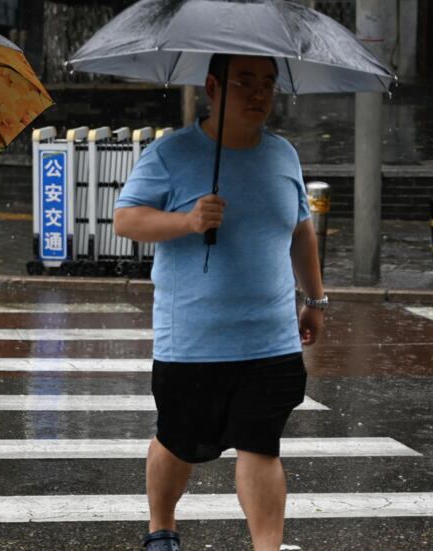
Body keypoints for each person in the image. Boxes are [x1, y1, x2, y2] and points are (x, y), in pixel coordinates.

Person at [113, 54, 326, 551]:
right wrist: (186, 221)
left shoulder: (284, 155)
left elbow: (301, 231)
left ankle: (266, 547)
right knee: (178, 440)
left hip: (271, 338)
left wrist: (315, 299)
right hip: (194, 340)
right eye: (245, 82)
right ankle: (162, 529)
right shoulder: (172, 154)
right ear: (212, 87)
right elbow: (126, 219)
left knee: (261, 445)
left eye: (268, 83)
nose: (260, 93)